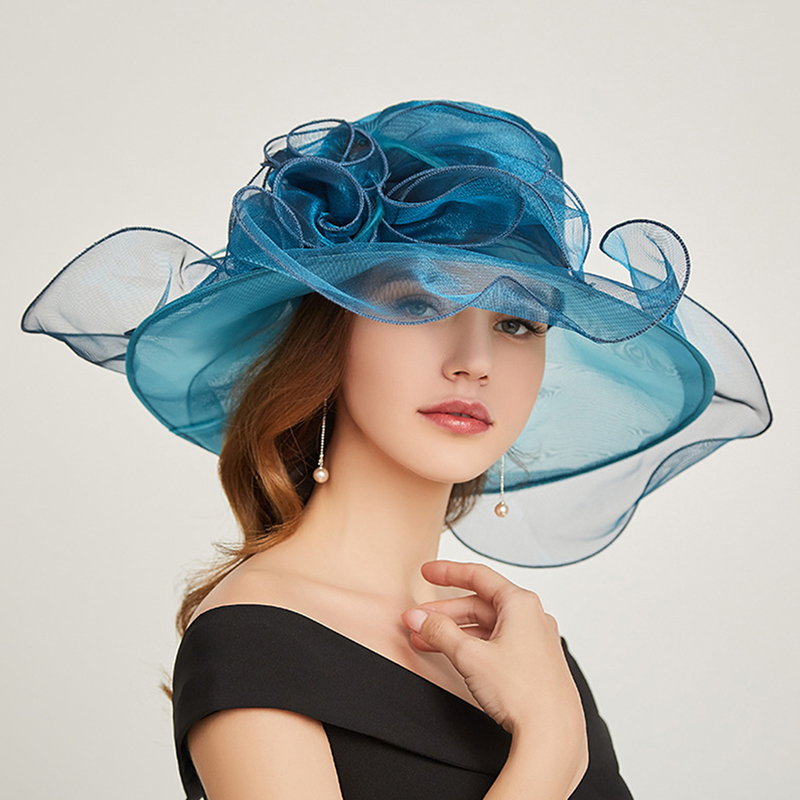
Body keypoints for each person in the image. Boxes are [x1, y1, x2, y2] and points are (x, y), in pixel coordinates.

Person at [21, 100, 771, 800]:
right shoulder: (254, 644)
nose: (474, 362)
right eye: (420, 304)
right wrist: (548, 749)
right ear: (331, 335)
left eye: (516, 323)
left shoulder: (520, 644)